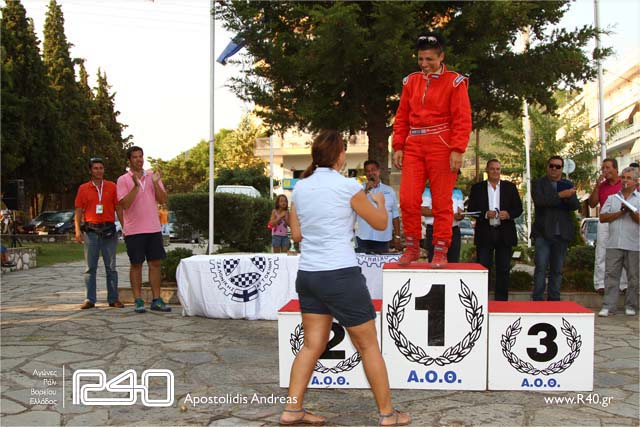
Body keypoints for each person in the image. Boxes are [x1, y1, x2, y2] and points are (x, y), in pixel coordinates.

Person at [281, 130, 410, 426]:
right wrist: (378, 201)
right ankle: (388, 414)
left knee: (311, 345)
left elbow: (296, 235)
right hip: (340, 274)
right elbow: (380, 223)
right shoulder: (348, 186)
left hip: (309, 274)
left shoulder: (300, 188)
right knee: (368, 346)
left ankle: (292, 409)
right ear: (340, 156)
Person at [392, 32, 472, 267]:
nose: (424, 64)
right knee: (408, 199)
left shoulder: (455, 81)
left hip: (442, 144)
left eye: (429, 59)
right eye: (420, 59)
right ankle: (412, 246)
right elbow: (402, 116)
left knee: (441, 202)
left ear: (441, 57)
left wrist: (457, 149)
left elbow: (462, 118)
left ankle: (440, 249)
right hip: (414, 144)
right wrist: (398, 145)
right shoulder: (411, 81)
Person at [117, 146, 171, 313]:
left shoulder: (152, 176)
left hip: (153, 228)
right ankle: (138, 300)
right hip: (134, 230)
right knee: (136, 264)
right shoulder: (123, 179)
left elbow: (162, 199)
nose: (138, 159)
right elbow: (124, 204)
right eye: (135, 157)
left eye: (140, 156)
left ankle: (156, 299)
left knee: (155, 263)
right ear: (129, 160)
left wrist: (155, 183)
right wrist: (135, 186)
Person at [467, 159, 523, 301]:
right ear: (487, 170)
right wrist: (485, 214)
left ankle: (501, 302)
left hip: (504, 232)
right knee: (483, 268)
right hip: (485, 232)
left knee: (503, 268)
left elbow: (518, 208)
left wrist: (508, 214)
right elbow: (471, 209)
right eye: (492, 169)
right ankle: (481, 300)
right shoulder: (477, 188)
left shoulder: (510, 187)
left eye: (498, 169)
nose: (495, 171)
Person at [74, 157, 123, 309]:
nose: (98, 171)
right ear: (90, 170)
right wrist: (77, 229)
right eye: (95, 168)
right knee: (90, 267)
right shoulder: (83, 188)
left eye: (101, 168)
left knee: (111, 267)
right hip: (91, 231)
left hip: (108, 230)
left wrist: (124, 226)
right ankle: (90, 299)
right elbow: (78, 210)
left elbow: (118, 208)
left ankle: (113, 298)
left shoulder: (112, 186)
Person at [531, 156, 581, 301]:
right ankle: (537, 300)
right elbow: (540, 201)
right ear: (547, 167)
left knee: (557, 270)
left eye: (558, 166)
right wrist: (560, 195)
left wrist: (569, 196)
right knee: (541, 268)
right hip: (543, 233)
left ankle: (554, 300)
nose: (554, 169)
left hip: (561, 234)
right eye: (551, 165)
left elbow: (575, 206)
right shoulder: (538, 183)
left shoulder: (567, 184)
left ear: (562, 169)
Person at [597, 167, 639, 317]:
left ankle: (631, 305)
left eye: (629, 178)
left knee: (634, 277)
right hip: (614, 243)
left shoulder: (639, 199)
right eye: (624, 177)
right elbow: (603, 217)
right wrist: (621, 212)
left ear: (636, 181)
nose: (625, 180)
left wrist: (631, 212)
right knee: (611, 276)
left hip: (634, 244)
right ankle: (609, 306)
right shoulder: (613, 198)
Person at [587, 158, 627, 295]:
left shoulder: (624, 183)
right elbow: (592, 204)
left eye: (608, 167)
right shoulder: (602, 186)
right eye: (603, 168)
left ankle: (623, 284)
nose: (605, 170)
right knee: (601, 252)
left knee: (623, 251)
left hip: (622, 219)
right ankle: (600, 284)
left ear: (616, 169)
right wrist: (597, 187)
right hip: (605, 221)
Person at [356, 160, 401, 254]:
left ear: (379, 171)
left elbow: (395, 215)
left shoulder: (389, 191)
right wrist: (366, 190)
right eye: (367, 171)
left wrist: (397, 236)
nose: (370, 173)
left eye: (373, 170)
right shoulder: (359, 189)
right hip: (363, 237)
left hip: (382, 238)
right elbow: (356, 206)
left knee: (381, 263)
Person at [421, 184, 465, 262]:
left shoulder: (457, 191)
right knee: (434, 260)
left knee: (453, 262)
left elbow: (461, 212)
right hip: (434, 230)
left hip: (453, 230)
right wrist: (443, 213)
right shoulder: (428, 191)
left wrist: (459, 216)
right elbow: (423, 210)